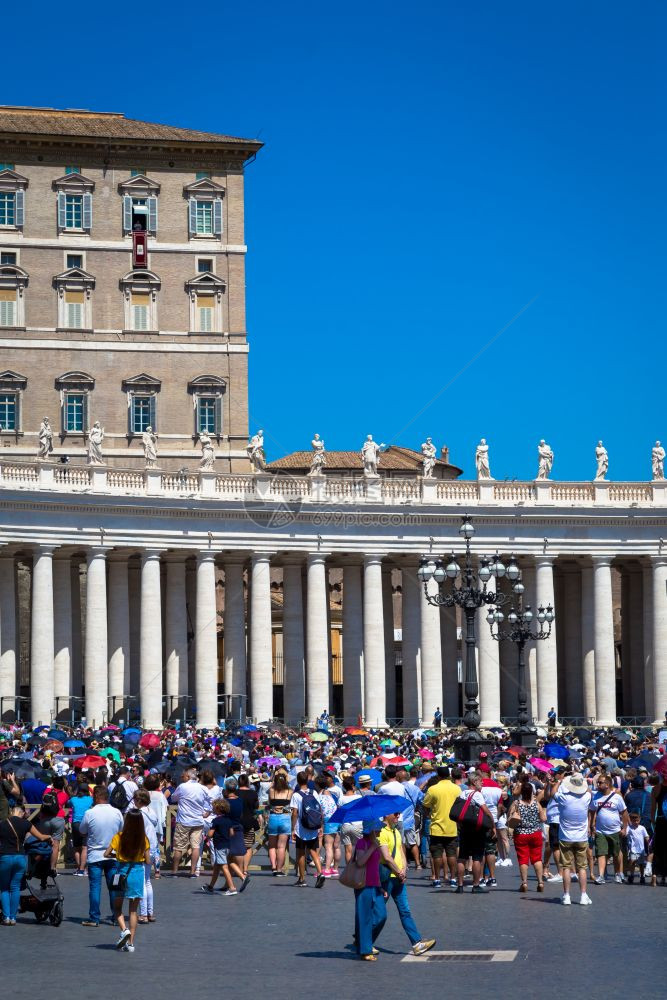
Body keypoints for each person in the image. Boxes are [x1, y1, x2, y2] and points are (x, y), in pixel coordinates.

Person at [379, 812, 436, 957]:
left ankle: (417, 943)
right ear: (386, 815)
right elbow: (386, 857)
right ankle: (363, 940)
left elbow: (400, 851)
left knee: (405, 911)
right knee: (378, 913)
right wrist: (398, 871)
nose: (398, 816)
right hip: (388, 878)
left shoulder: (396, 831)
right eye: (395, 814)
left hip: (398, 877)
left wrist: (404, 869)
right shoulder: (381, 832)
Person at [0, 797, 52, 925]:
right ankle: (13, 918)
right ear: (22, 813)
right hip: (20, 858)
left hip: (5, 857)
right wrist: (50, 836)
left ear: (12, 811)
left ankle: (6, 917)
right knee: (15, 887)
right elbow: (40, 837)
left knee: (4, 889)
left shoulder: (2, 824)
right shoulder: (26, 824)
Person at [105, 808, 150, 952]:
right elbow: (148, 860)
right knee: (133, 911)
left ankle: (124, 930)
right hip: (137, 873)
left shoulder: (119, 836)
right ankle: (130, 944)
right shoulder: (144, 839)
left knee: (117, 908)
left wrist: (117, 856)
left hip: (122, 874)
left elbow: (106, 854)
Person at [79, 785, 124, 927]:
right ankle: (116, 916)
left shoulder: (90, 813)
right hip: (112, 854)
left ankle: (94, 918)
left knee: (95, 887)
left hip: (95, 855)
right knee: (114, 887)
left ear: (97, 797)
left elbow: (82, 830)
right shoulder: (117, 812)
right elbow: (121, 830)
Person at [553, 772, 592, 905]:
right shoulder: (587, 797)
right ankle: (583, 895)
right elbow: (589, 791)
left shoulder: (564, 797)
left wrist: (559, 781)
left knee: (566, 867)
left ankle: (567, 895)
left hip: (566, 836)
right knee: (582, 867)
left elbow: (552, 793)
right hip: (581, 837)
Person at [455, 772, 495, 893]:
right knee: (477, 857)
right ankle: (476, 885)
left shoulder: (462, 793)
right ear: (474, 782)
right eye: (480, 781)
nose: (482, 783)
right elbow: (486, 811)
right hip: (476, 830)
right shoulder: (477, 795)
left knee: (462, 857)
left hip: (464, 829)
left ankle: (460, 885)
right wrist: (492, 825)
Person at [353, 820, 387, 961]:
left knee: (381, 916)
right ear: (372, 831)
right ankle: (366, 950)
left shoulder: (376, 844)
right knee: (365, 918)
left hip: (375, 885)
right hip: (363, 885)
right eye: (378, 829)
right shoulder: (362, 843)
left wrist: (381, 886)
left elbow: (376, 868)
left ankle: (363, 940)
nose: (380, 831)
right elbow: (360, 862)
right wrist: (372, 848)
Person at [423, 766, 461, 888]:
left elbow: (426, 805)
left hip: (437, 826)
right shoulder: (456, 788)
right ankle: (453, 878)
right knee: (451, 854)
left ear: (438, 776)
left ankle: (437, 879)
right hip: (452, 826)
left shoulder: (433, 789)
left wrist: (428, 814)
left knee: (437, 854)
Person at [200, 798, 247, 896]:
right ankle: (210, 887)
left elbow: (210, 834)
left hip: (219, 846)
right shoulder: (229, 820)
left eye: (213, 808)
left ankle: (232, 888)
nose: (212, 809)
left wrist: (207, 836)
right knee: (217, 867)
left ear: (217, 809)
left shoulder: (216, 821)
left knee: (224, 867)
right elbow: (231, 833)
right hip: (227, 845)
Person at [169, 768, 211, 877]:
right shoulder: (203, 788)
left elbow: (173, 798)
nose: (182, 777)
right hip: (198, 820)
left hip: (184, 820)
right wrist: (207, 812)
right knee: (196, 846)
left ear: (188, 776)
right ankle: (192, 872)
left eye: (183, 776)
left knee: (178, 847)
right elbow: (210, 801)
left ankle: (174, 871)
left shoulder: (183, 787)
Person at [508, 778, 546, 892]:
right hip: (535, 833)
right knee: (537, 858)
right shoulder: (536, 804)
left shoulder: (516, 804)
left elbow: (510, 817)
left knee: (523, 859)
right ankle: (540, 882)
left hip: (521, 834)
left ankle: (524, 883)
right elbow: (543, 818)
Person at [590, 773, 629, 883]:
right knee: (601, 853)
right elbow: (591, 810)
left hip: (615, 830)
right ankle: (601, 876)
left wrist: (625, 828)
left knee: (616, 854)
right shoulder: (596, 796)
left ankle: (618, 872)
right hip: (600, 830)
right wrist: (591, 825)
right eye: (597, 782)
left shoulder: (617, 797)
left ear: (607, 784)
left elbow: (624, 813)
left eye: (600, 783)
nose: (597, 784)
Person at [290, 770, 325, 887]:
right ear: (308, 780)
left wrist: (293, 828)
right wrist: (320, 825)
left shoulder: (296, 795)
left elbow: (294, 813)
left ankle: (302, 878)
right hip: (313, 826)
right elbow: (319, 810)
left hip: (301, 828)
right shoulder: (314, 792)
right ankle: (320, 873)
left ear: (298, 781)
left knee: (300, 853)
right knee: (313, 851)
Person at [133, 789, 159, 924]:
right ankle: (150, 912)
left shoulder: (139, 815)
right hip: (153, 848)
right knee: (147, 881)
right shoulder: (151, 812)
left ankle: (143, 913)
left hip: (143, 849)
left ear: (138, 800)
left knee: (141, 882)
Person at [265, 771, 292, 875]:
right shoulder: (290, 791)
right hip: (285, 818)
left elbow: (269, 803)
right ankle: (279, 869)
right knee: (281, 847)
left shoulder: (272, 790)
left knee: (272, 846)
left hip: (273, 818)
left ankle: (273, 867)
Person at [69, 781, 94, 876]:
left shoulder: (73, 799)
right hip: (86, 823)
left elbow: (68, 803)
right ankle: (83, 870)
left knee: (76, 847)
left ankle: (79, 868)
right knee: (84, 847)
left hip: (75, 824)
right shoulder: (90, 799)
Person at [339, 775, 363, 863]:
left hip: (345, 825)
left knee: (348, 851)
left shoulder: (341, 799)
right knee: (360, 849)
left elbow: (339, 812)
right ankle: (358, 870)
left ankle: (349, 870)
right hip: (357, 825)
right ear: (353, 785)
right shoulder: (358, 797)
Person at [650, 771, 667, 887]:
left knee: (658, 848)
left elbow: (653, 808)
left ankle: (655, 876)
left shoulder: (656, 788)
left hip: (661, 821)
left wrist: (653, 821)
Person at [625, 812, 650, 884]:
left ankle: (642, 876)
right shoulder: (629, 828)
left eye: (637, 820)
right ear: (631, 820)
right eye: (634, 821)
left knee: (641, 864)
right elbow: (625, 834)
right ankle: (631, 875)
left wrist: (649, 843)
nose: (635, 822)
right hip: (633, 849)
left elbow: (646, 837)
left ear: (639, 820)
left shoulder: (642, 828)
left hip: (641, 850)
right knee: (632, 862)